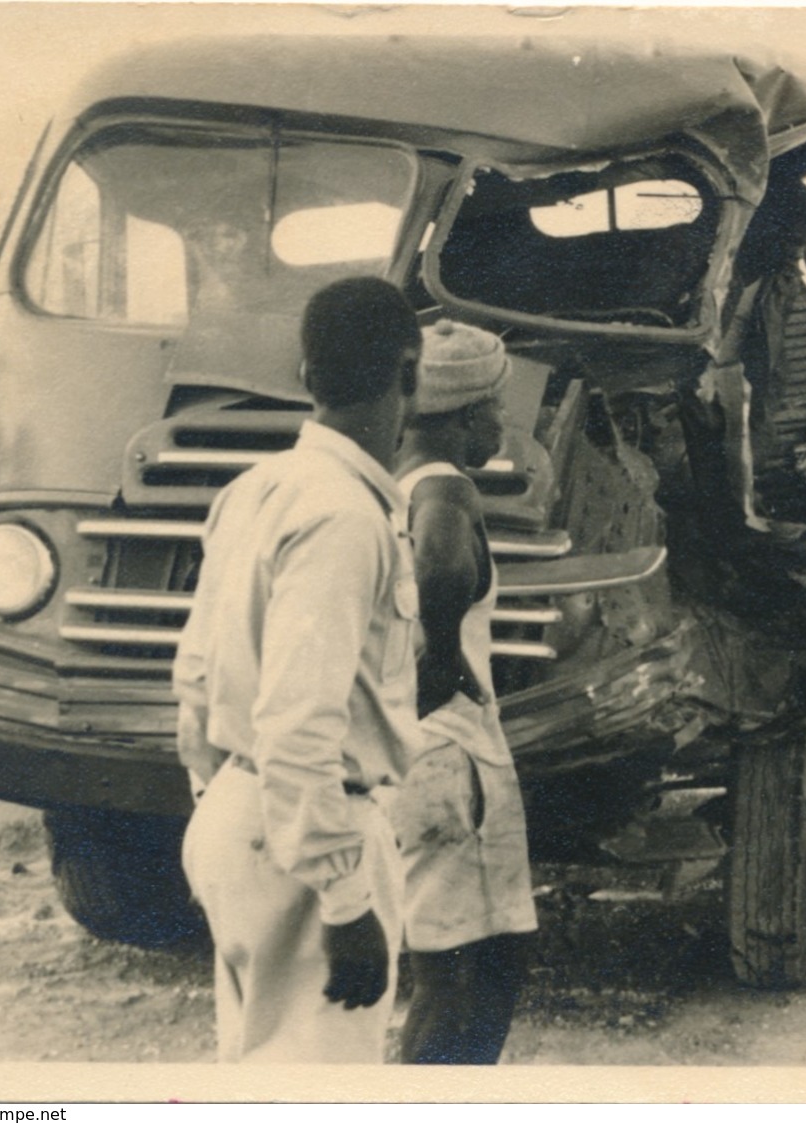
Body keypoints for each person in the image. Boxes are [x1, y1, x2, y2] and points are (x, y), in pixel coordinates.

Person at [173, 276, 423, 1063]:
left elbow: (196, 675)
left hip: (243, 814)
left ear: (306, 375)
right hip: (311, 843)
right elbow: (298, 716)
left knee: (255, 1076)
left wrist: (225, 805)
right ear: (410, 373)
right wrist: (343, 897)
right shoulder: (346, 515)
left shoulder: (257, 488)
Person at [390, 320, 538, 1065]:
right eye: (495, 407)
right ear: (463, 414)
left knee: (460, 966)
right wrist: (443, 657)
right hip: (454, 756)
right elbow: (443, 569)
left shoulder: (384, 483)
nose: (499, 422)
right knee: (464, 978)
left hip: (414, 753)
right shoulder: (445, 486)